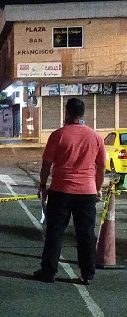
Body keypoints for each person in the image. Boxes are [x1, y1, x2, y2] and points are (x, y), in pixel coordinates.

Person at [33, 98, 105, 285]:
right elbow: (102, 166)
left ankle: (48, 272)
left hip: (61, 190)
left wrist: (42, 185)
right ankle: (87, 274)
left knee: (55, 232)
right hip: (87, 192)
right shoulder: (95, 137)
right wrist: (97, 189)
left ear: (67, 112)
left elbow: (47, 164)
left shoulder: (58, 135)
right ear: (83, 114)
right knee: (86, 234)